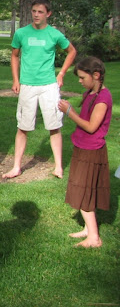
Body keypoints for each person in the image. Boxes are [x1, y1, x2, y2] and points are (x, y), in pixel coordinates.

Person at [2, 0, 77, 180]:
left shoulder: (54, 34)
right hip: (27, 85)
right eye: (34, 11)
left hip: (49, 85)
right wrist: (16, 80)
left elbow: (72, 51)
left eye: (40, 12)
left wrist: (61, 73)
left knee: (54, 126)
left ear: (48, 14)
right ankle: (16, 167)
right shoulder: (21, 33)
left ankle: (58, 167)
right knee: (23, 127)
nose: (36, 15)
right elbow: (14, 56)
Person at [57, 57, 112, 248]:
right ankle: (88, 229)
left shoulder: (103, 99)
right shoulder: (91, 93)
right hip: (83, 147)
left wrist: (70, 112)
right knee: (83, 189)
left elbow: (91, 127)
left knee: (83, 191)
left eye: (82, 77)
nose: (80, 81)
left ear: (96, 75)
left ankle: (94, 238)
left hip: (91, 151)